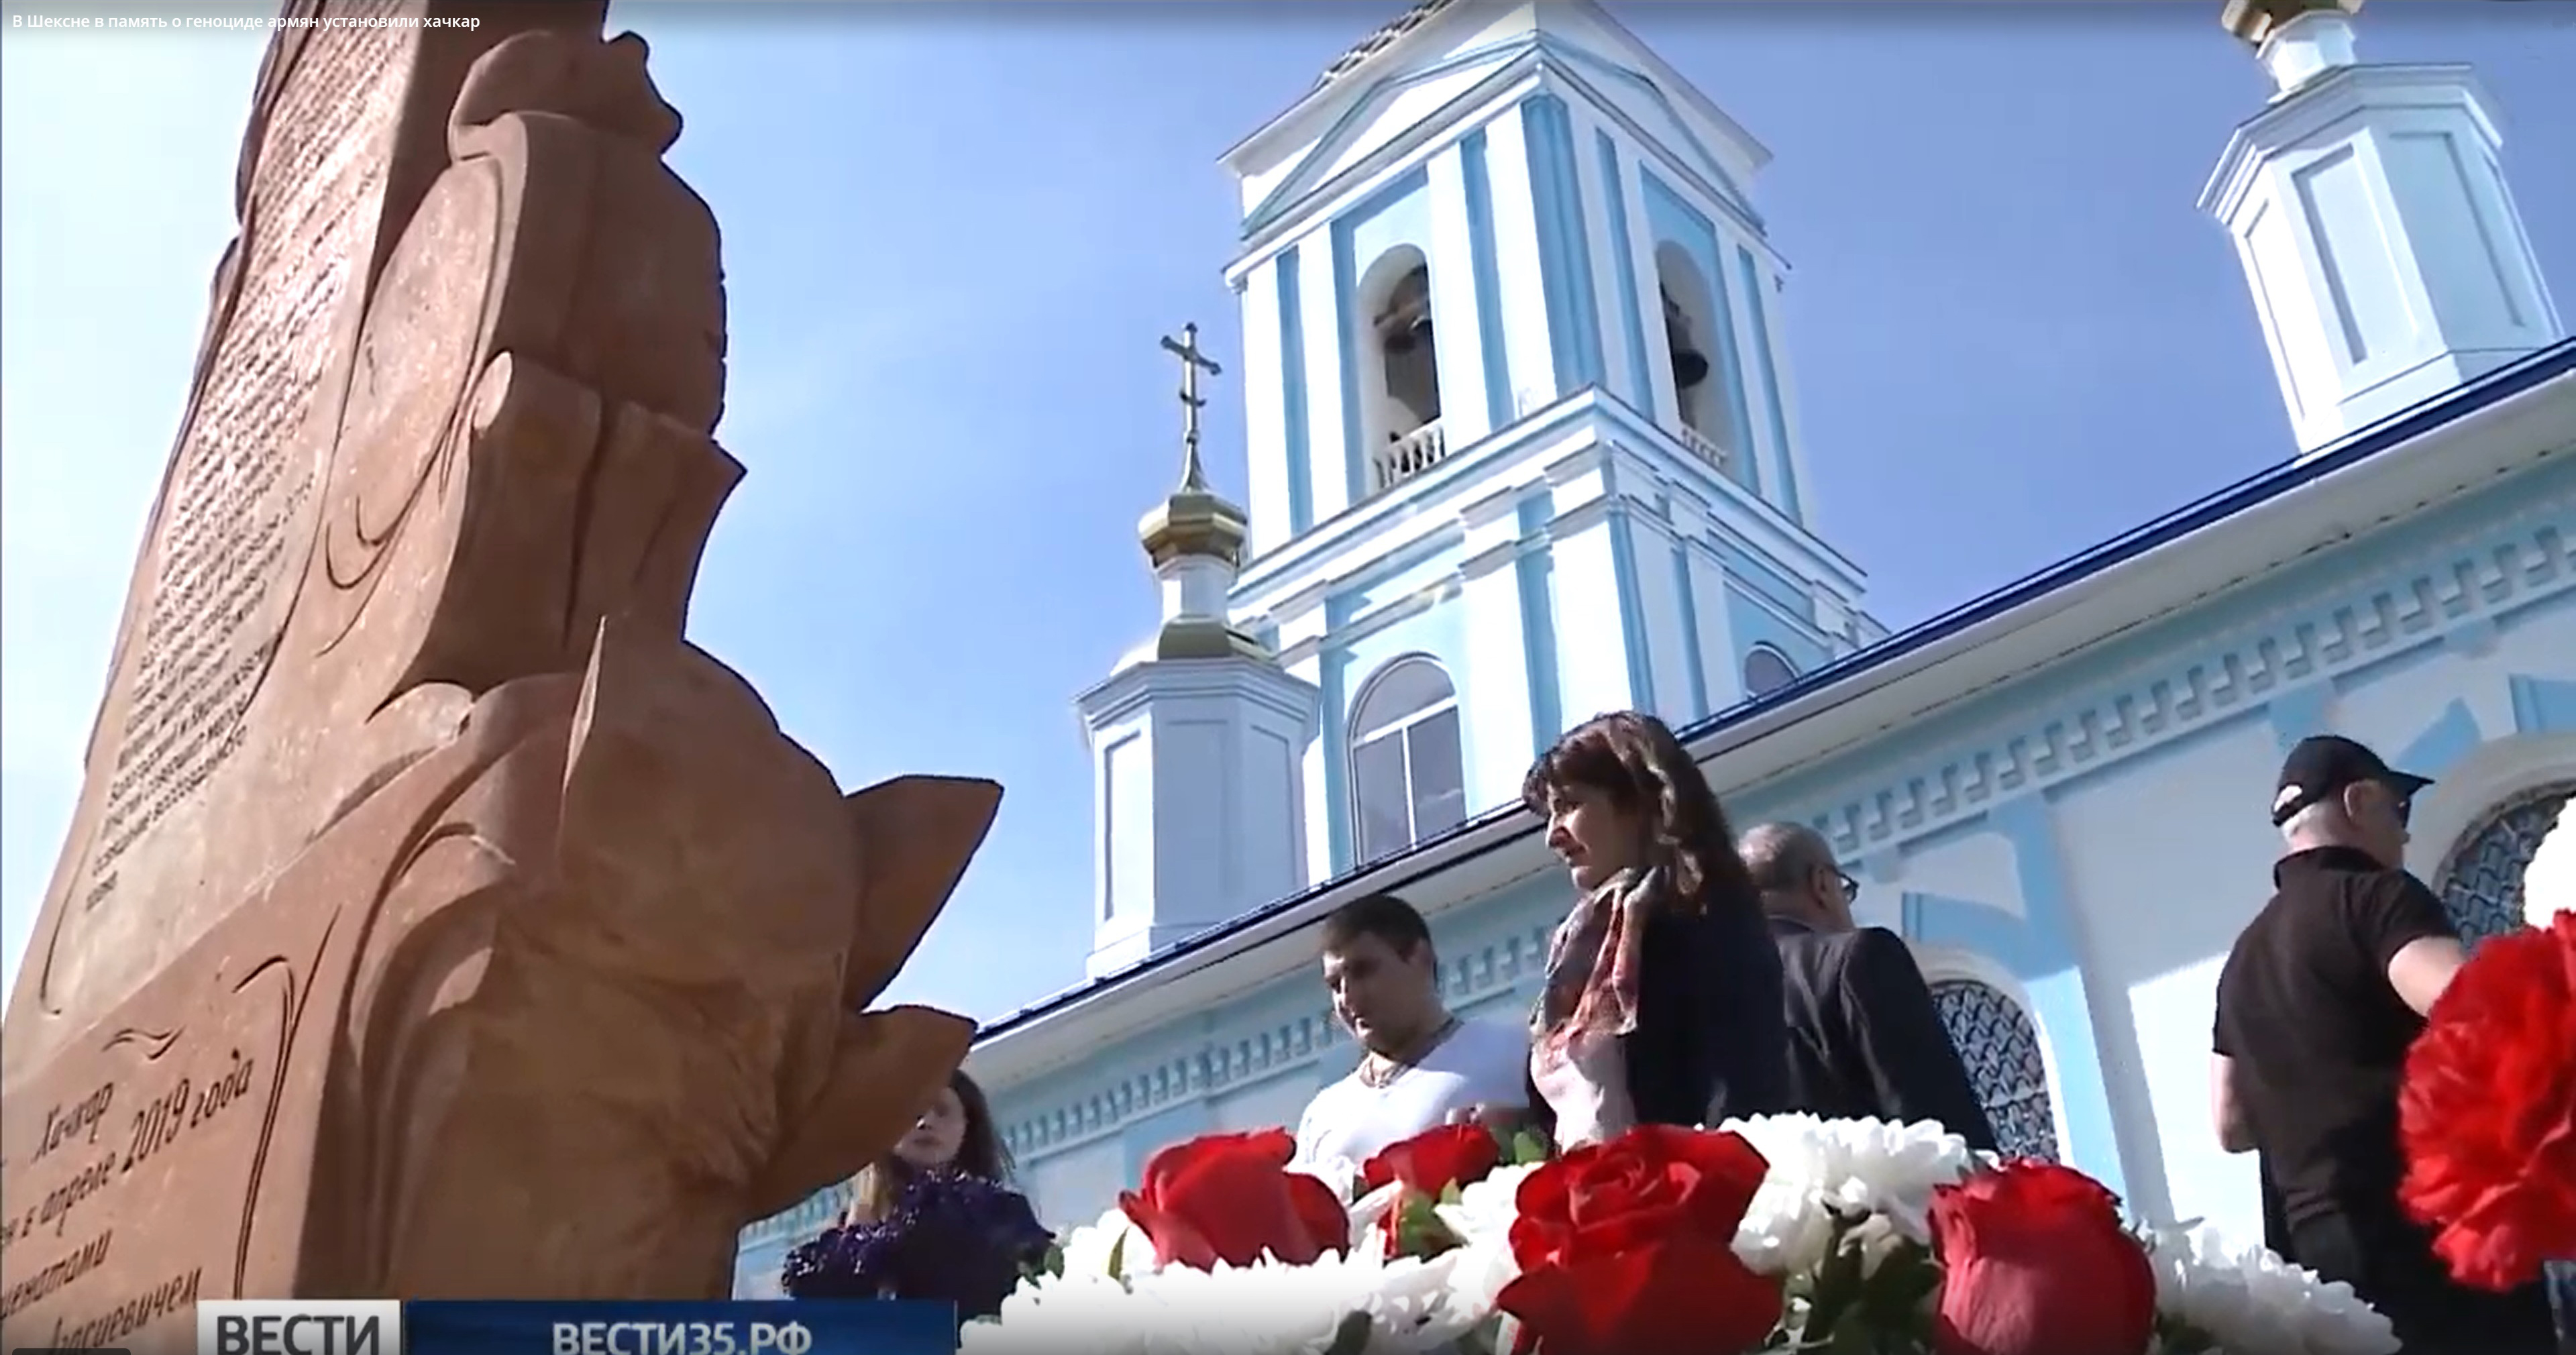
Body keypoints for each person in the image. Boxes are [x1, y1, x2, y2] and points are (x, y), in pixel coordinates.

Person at [2211, 735, 2554, 1353]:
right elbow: (2466, 1006)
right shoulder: (2377, 898)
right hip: (2428, 1243)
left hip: (2321, 1271)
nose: (2406, 834)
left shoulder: (2243, 960)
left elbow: (2230, 1125)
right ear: (2359, 801)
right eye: (2399, 811)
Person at [1520, 710, 1790, 1151]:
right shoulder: (1581, 951)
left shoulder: (1706, 920)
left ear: (1643, 800)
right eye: (1550, 815)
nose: (1553, 835)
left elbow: (1740, 1091)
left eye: (1569, 806)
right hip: (1595, 1185)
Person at [1741, 821, 1998, 1151]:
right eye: (1844, 889)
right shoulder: (1858, 958)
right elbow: (1941, 1129)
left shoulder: (1705, 1008)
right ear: (1822, 884)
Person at [780, 1069, 1052, 1325]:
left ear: (967, 1125)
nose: (925, 1123)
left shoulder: (1002, 1212)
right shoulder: (849, 1231)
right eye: (912, 1113)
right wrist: (858, 1231)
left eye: (942, 1111)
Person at [1293, 892, 1530, 1171]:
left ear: (1421, 959)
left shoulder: (1511, 1052)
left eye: (1362, 971)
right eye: (1335, 985)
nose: (1347, 997)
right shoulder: (1322, 1114)